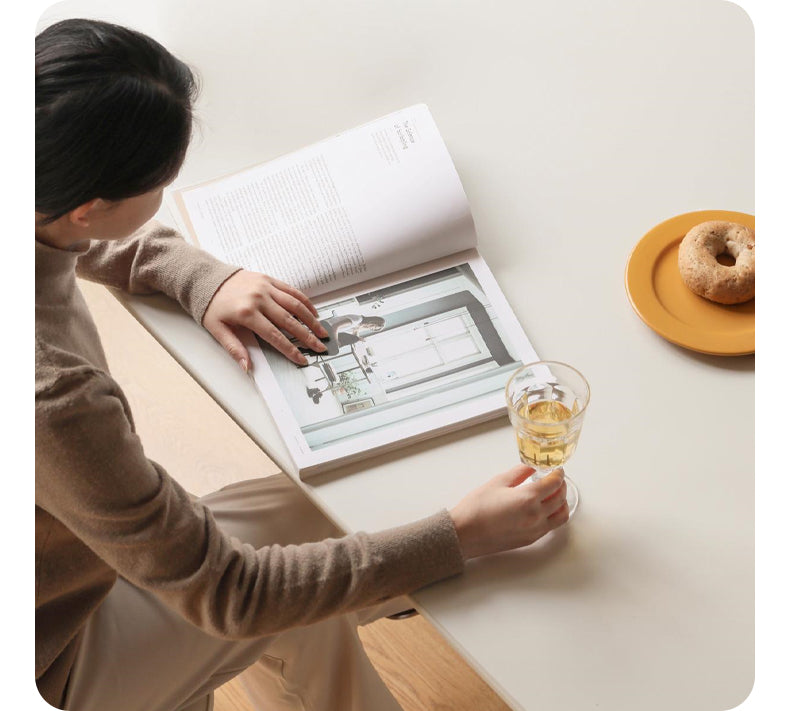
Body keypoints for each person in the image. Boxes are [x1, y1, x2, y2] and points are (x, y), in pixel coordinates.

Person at [35, 18, 570, 711]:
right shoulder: (53, 397)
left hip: (66, 558)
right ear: (88, 208)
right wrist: (460, 536)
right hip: (53, 659)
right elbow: (234, 594)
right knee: (297, 565)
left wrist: (196, 275)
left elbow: (58, 230)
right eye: (161, 180)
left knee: (302, 526)